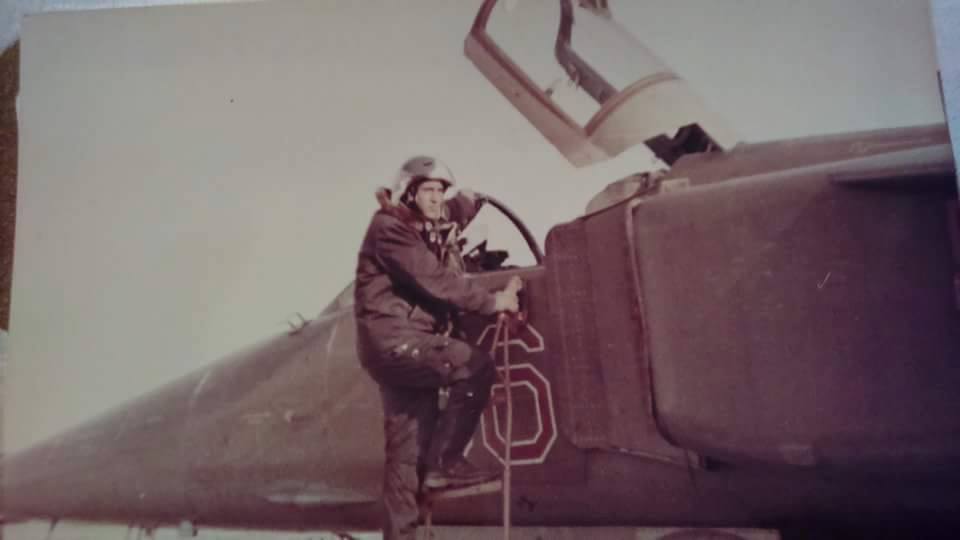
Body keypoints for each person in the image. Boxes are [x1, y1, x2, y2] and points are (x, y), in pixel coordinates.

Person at [353, 155, 521, 540]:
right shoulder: (389, 229)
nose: (435, 198)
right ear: (408, 194)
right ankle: (446, 462)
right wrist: (493, 302)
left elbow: (444, 220)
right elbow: (436, 279)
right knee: (474, 367)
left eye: (440, 192)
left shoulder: (417, 227)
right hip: (398, 340)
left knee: (405, 460)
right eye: (427, 190)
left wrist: (467, 203)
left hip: (395, 347)